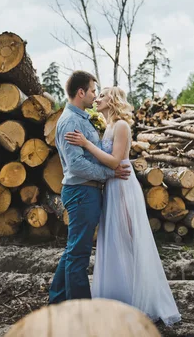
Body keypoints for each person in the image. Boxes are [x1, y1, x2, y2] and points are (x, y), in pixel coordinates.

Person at [64, 86, 182, 327]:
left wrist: (86, 144)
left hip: (123, 189)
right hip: (111, 188)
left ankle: (140, 300)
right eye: (96, 94)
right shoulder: (107, 127)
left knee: (128, 239)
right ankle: (119, 297)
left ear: (114, 100)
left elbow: (116, 161)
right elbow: (107, 161)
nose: (97, 98)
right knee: (114, 241)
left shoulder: (121, 126)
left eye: (102, 95)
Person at [48, 71, 131, 304]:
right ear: (81, 92)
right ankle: (81, 309)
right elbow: (76, 165)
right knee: (79, 254)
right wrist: (109, 173)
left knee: (74, 250)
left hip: (87, 191)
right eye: (93, 91)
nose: (95, 96)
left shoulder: (82, 118)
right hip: (82, 191)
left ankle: (57, 301)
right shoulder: (71, 122)